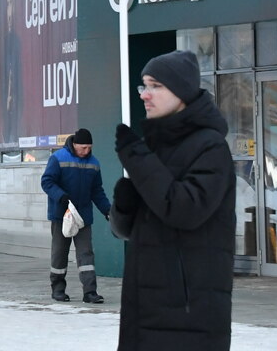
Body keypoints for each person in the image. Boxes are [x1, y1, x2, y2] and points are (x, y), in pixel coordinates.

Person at [111, 49, 235, 351]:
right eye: (144, 86)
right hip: (145, 307)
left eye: (156, 86)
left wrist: (137, 158)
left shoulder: (210, 147)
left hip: (188, 313)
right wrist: (124, 207)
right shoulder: (155, 146)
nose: (145, 95)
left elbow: (185, 210)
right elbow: (126, 231)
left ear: (182, 91)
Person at [39, 127, 112, 303]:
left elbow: (97, 191)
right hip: (61, 215)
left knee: (86, 254)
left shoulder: (94, 163)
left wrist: (107, 210)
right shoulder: (58, 158)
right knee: (59, 253)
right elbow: (46, 182)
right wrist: (60, 196)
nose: (86, 151)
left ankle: (90, 292)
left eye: (89, 148)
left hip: (83, 217)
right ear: (75, 144)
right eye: (83, 148)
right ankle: (58, 289)